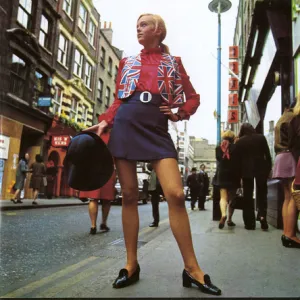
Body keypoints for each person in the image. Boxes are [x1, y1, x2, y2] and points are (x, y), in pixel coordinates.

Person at [85, 13, 221, 295]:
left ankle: (191, 268)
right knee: (131, 195)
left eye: (144, 24)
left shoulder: (174, 63)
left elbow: (193, 97)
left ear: (158, 30)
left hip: (157, 128)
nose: (139, 28)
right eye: (137, 25)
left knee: (176, 194)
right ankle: (131, 265)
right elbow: (119, 99)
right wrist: (105, 121)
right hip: (125, 123)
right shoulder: (127, 62)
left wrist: (179, 113)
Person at [235, 123, 272, 230]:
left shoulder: (240, 142)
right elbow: (268, 155)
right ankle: (262, 216)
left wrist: (239, 176)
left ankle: (249, 223)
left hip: (246, 171)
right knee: (262, 194)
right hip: (261, 169)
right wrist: (268, 169)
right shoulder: (261, 138)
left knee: (247, 196)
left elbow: (238, 161)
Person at [214, 131, 240, 229]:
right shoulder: (236, 148)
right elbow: (239, 162)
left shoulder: (218, 148)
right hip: (234, 174)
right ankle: (229, 219)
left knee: (223, 197)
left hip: (222, 174)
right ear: (233, 138)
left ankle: (223, 214)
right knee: (232, 198)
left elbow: (218, 160)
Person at [286, 93, 300, 248]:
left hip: (297, 161)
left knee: (293, 197)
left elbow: (291, 144)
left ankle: (289, 234)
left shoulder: (293, 120)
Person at [147, 163, 160, 227]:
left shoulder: (158, 169)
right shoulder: (153, 170)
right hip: (155, 190)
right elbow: (148, 166)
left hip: (157, 189)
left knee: (155, 206)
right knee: (155, 206)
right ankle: (155, 221)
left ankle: (156, 221)